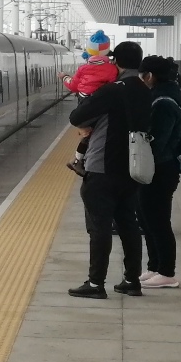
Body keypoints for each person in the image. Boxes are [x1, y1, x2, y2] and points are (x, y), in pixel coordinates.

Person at [68, 42, 154, 298]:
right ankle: (132, 280)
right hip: (132, 167)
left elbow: (76, 117)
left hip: (103, 166)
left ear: (116, 62)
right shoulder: (144, 89)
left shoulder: (111, 91)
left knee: (100, 226)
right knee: (128, 223)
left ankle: (96, 284)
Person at [139, 56, 181, 288]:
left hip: (161, 170)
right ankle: (154, 266)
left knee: (158, 221)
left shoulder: (163, 104)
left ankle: (167, 271)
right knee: (148, 219)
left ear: (149, 76)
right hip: (158, 169)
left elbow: (157, 142)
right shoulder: (161, 98)